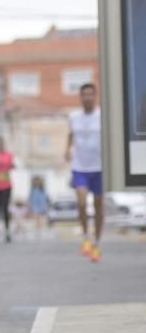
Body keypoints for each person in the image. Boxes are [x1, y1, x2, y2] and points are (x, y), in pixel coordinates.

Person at [66, 82, 104, 262]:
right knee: (81, 202)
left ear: (94, 96)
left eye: (91, 94)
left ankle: (96, 243)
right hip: (79, 167)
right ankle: (85, 237)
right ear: (80, 97)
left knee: (98, 206)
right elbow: (70, 135)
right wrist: (67, 150)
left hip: (99, 167)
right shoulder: (73, 116)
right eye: (84, 94)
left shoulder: (102, 115)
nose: (87, 97)